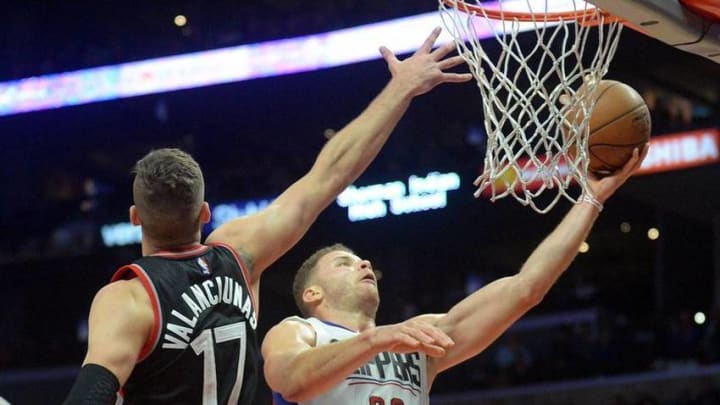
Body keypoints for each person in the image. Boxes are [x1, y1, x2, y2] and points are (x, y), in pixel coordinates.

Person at [62, 27, 471, 405]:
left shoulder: (130, 298)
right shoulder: (239, 256)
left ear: (135, 216)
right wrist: (401, 88)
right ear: (204, 213)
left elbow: (92, 392)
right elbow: (330, 173)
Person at [262, 145, 650, 405]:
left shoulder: (416, 341)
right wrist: (375, 340)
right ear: (312, 295)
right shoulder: (300, 331)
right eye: (344, 263)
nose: (363, 265)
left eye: (362, 260)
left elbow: (525, 288)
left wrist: (592, 200)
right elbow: (291, 380)